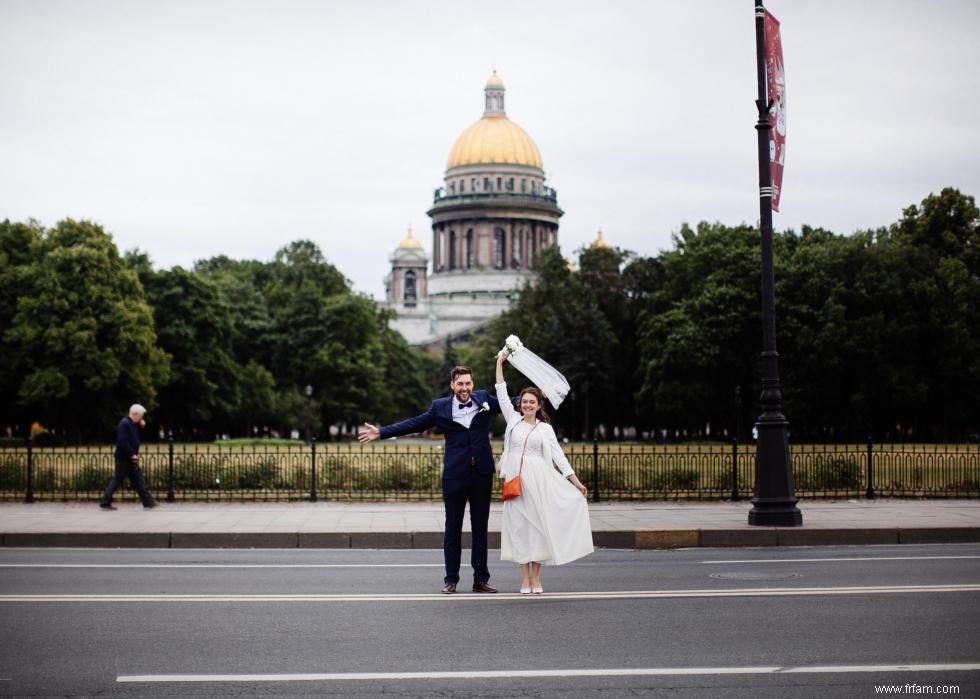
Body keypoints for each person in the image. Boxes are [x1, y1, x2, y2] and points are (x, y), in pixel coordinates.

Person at [358, 366, 502, 594]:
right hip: (455, 475)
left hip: (482, 474)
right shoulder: (440, 407)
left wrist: (538, 393)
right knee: (452, 528)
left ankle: (480, 579)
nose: (464, 388)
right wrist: (382, 432)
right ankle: (451, 579)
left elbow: (513, 401)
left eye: (468, 383)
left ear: (472, 384)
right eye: (460, 384)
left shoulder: (484, 399)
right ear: (452, 385)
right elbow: (414, 423)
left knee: (480, 529)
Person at [495, 351, 593, 593]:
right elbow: (500, 389)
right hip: (516, 482)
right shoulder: (512, 420)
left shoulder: (545, 429)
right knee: (519, 529)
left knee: (538, 528)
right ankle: (524, 579)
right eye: (524, 401)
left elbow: (559, 456)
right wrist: (500, 362)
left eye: (532, 402)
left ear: (539, 406)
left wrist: (575, 481)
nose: (527, 405)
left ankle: (536, 577)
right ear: (520, 404)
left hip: (539, 482)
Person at [99, 404, 157, 510]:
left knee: (139, 480)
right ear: (136, 414)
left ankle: (148, 502)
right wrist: (132, 454)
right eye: (141, 416)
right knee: (117, 480)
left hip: (129, 459)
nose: (142, 418)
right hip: (124, 459)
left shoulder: (132, 424)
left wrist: (142, 426)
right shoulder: (125, 424)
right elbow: (123, 442)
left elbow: (136, 438)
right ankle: (105, 502)